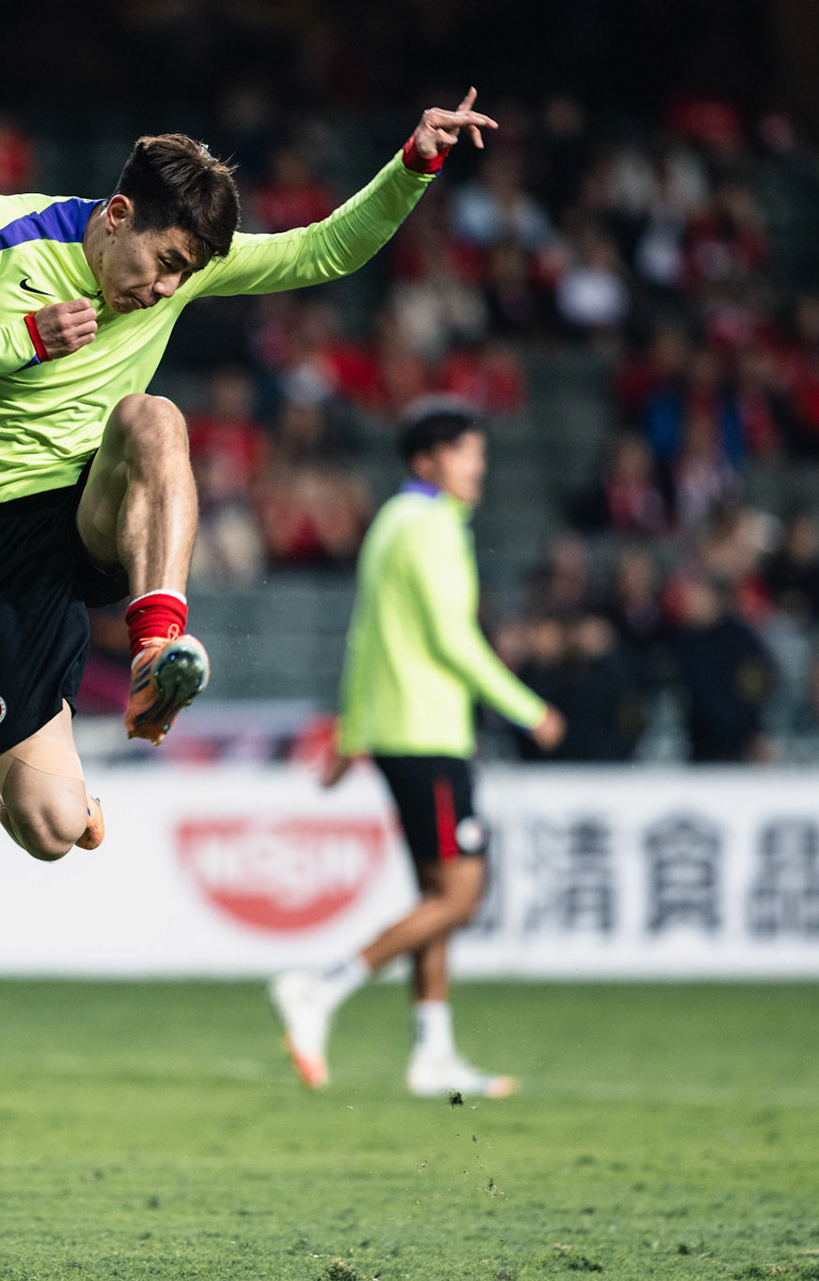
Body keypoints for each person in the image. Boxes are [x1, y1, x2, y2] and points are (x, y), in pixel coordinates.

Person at [0, 92, 498, 861]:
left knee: (154, 418)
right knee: (53, 832)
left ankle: (156, 647)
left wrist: (415, 163)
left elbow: (325, 249)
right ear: (119, 212)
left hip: (93, 501)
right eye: (164, 265)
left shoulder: (178, 268)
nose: (166, 289)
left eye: (184, 275)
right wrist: (18, 337)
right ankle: (41, 794)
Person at [268, 400, 564, 1098]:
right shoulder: (429, 528)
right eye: (468, 455)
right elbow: (451, 640)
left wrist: (351, 733)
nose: (478, 468)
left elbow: (366, 634)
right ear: (429, 459)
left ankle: (433, 1054)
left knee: (437, 895)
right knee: (463, 893)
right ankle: (321, 986)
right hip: (430, 734)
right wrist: (528, 708)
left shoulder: (394, 524)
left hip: (402, 732)